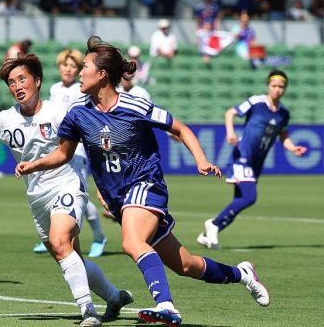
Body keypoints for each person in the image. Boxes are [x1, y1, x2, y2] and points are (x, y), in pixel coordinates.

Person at [16, 36, 270, 326]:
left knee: (132, 241)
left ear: (101, 75)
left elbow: (180, 128)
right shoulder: (78, 113)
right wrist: (35, 164)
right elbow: (63, 154)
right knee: (185, 264)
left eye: (85, 66)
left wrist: (200, 159)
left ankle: (166, 306)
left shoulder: (135, 105)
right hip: (120, 199)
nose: (80, 72)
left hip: (146, 184)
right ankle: (243, 274)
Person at [0, 53, 134, 326]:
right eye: (11, 83)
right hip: (37, 196)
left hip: (67, 183)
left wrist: (103, 187)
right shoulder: (6, 119)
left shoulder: (58, 113)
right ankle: (114, 297)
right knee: (68, 255)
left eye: (22, 79)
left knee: (61, 241)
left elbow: (88, 147)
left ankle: (88, 311)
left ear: (37, 81)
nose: (17, 86)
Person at [198, 70, 307, 250]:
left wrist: (292, 147)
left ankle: (206, 236)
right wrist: (230, 132)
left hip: (257, 162)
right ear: (268, 85)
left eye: (281, 87)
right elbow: (230, 113)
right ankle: (214, 224)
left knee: (240, 200)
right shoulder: (257, 102)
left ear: (285, 89)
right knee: (250, 197)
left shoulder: (284, 114)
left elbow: (283, 136)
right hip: (242, 155)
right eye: (274, 86)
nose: (277, 90)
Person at [31, 48, 107, 258]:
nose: (69, 69)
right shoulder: (55, 88)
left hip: (78, 148)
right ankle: (52, 234)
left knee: (79, 195)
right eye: (65, 65)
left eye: (74, 66)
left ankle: (99, 237)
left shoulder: (80, 89)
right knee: (54, 190)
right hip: (57, 147)